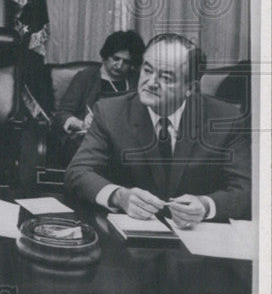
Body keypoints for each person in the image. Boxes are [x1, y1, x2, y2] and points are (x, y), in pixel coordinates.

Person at [65, 33, 251, 226]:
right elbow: (78, 172)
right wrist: (119, 196)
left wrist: (206, 205)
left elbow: (246, 189)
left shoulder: (225, 118)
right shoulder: (110, 111)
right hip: (129, 236)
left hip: (198, 240)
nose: (151, 82)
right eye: (147, 70)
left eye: (166, 77)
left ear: (190, 88)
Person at [55, 30, 146, 155]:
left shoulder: (136, 81)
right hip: (88, 140)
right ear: (106, 55)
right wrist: (81, 125)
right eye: (116, 58)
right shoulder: (86, 77)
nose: (119, 65)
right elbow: (63, 113)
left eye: (126, 62)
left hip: (125, 142)